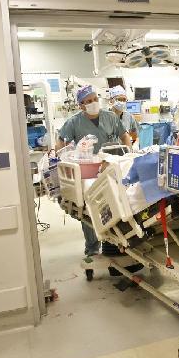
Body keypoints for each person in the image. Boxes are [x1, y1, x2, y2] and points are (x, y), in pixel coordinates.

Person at [56, 85, 131, 255]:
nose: (94, 103)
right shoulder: (74, 122)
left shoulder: (110, 117)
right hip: (88, 170)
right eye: (89, 101)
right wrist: (63, 158)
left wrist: (128, 152)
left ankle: (116, 241)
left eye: (95, 99)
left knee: (115, 203)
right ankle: (92, 248)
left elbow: (124, 135)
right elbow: (60, 142)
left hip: (110, 166)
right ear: (81, 105)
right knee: (90, 209)